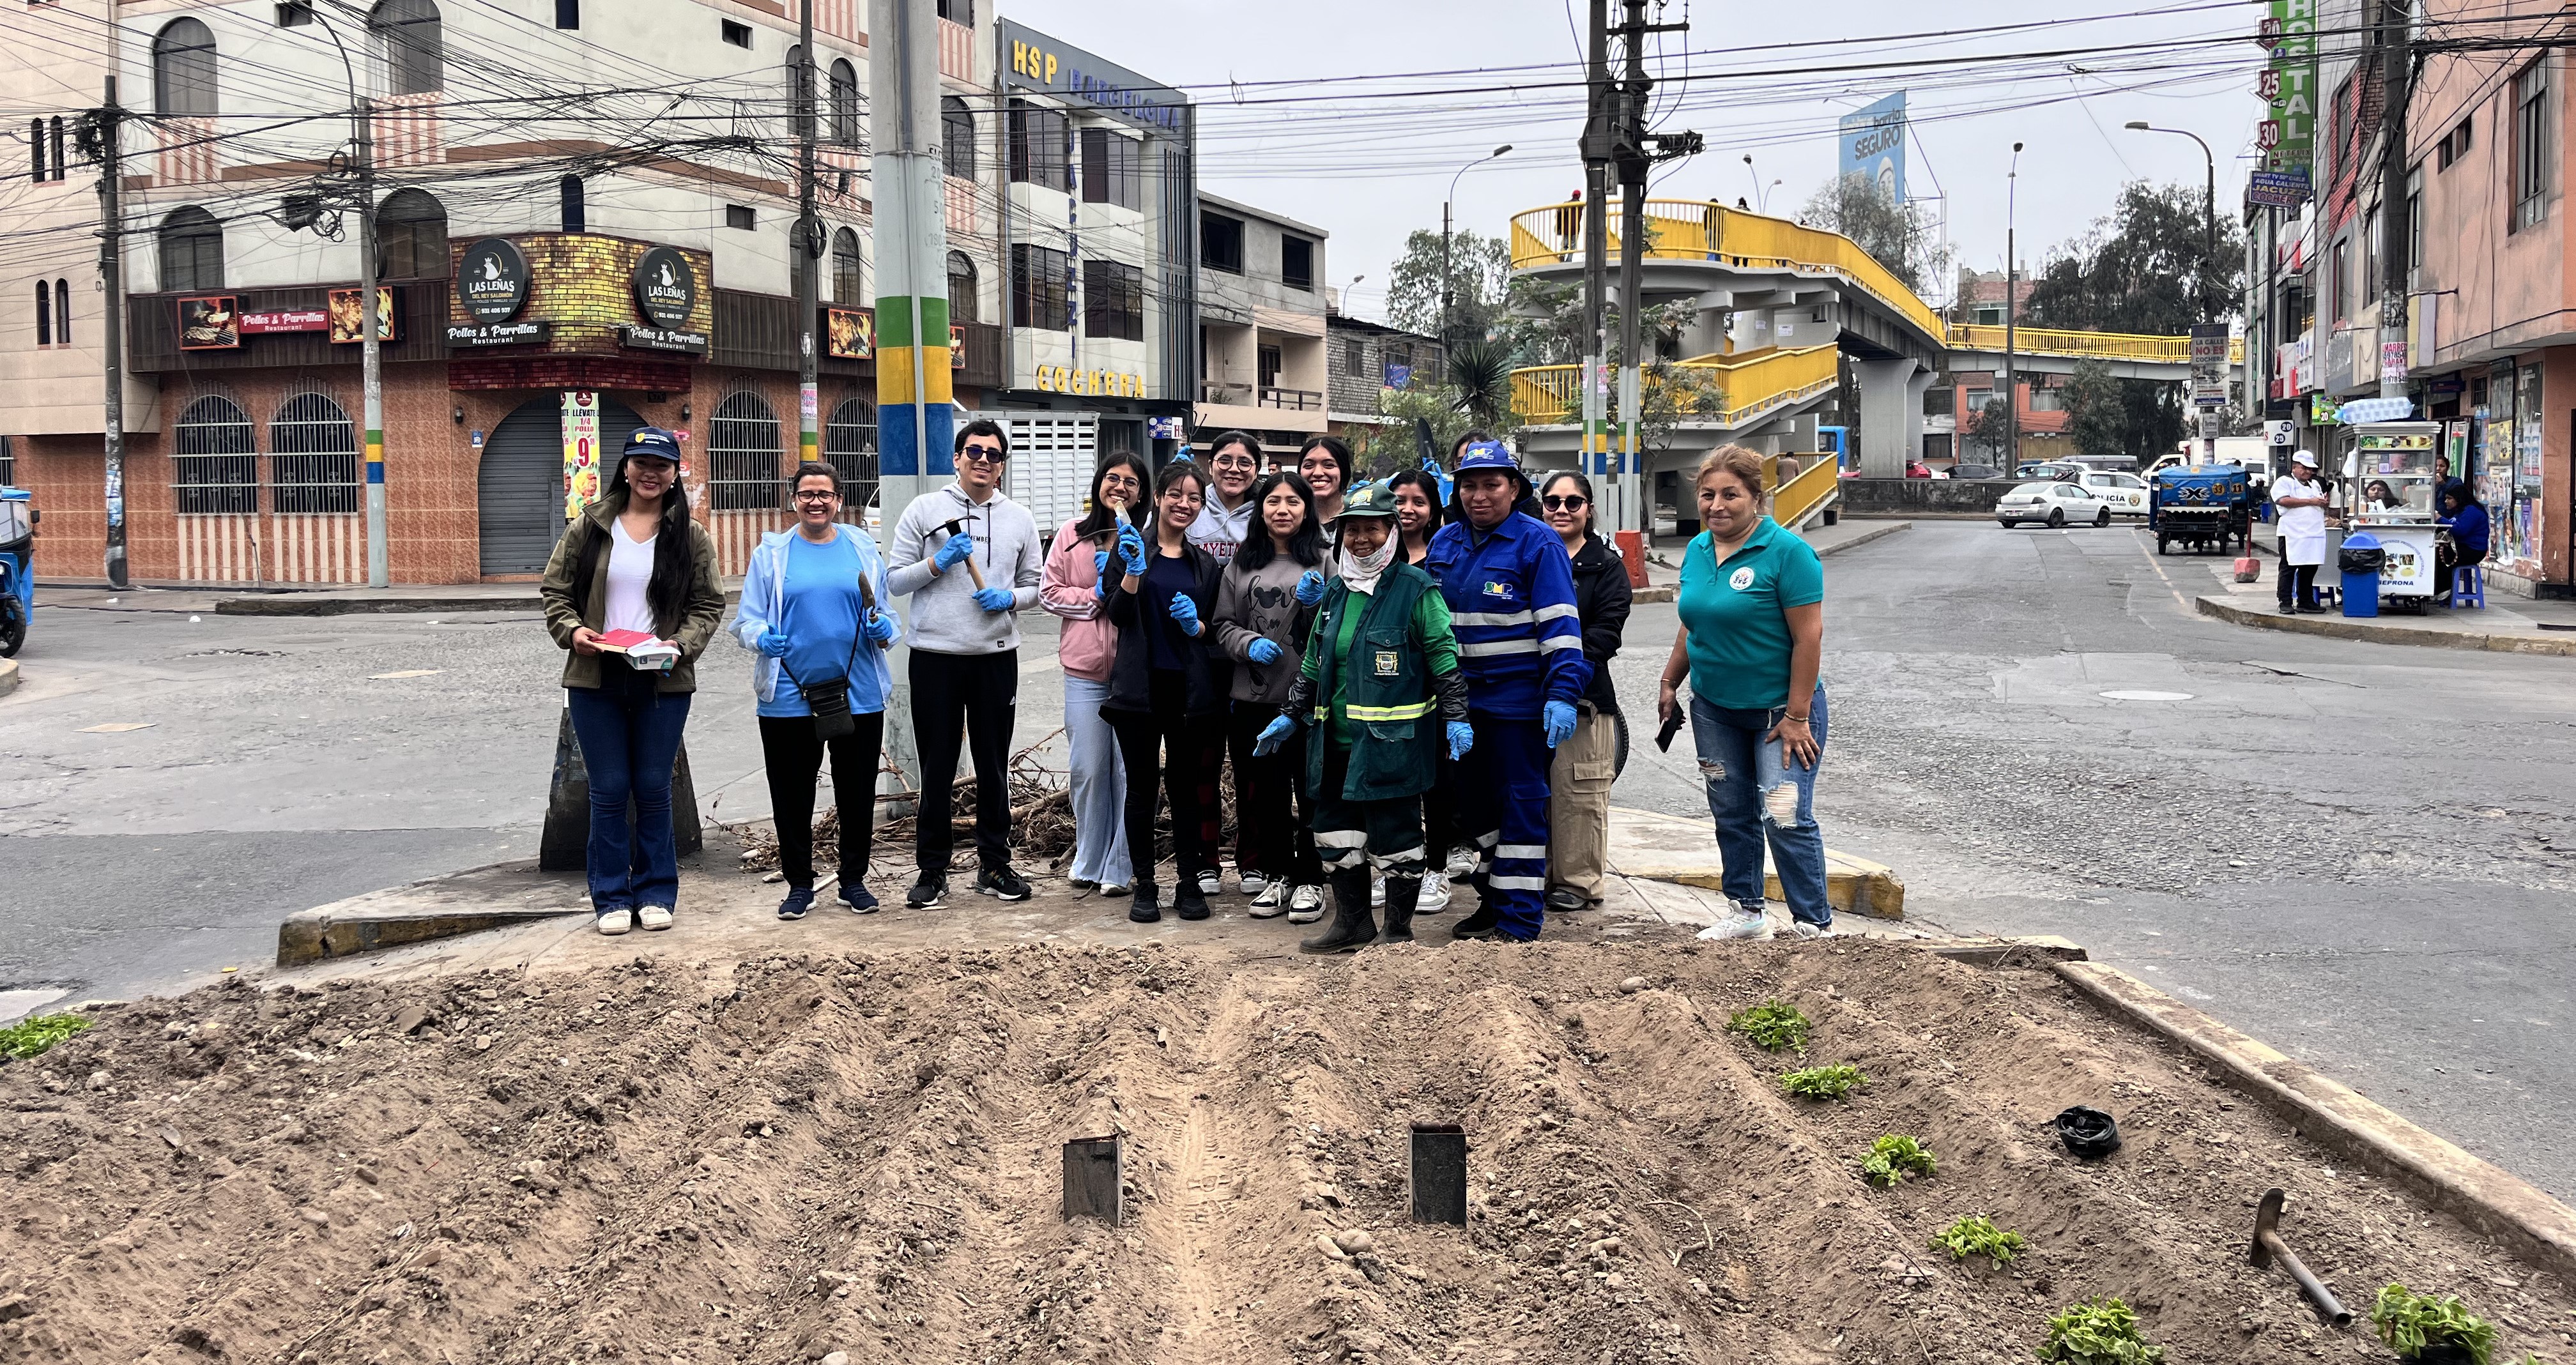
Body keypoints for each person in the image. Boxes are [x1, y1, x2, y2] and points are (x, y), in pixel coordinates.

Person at [1255, 482, 1471, 953]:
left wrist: (1457, 716)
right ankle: (1353, 925)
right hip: (1334, 743)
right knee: (1334, 835)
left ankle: (1397, 933)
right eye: (1352, 530)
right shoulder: (1335, 592)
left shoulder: (1416, 590)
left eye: (1372, 529)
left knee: (1397, 840)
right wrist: (1291, 714)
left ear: (1391, 531)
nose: (1361, 540)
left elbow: (1443, 659)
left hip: (1393, 747)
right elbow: (1314, 664)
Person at [539, 427, 725, 936]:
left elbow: (709, 603)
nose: (650, 473)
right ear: (624, 468)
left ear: (675, 474)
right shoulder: (591, 525)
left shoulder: (689, 534)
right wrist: (572, 630)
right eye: (641, 462)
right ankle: (611, 897)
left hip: (661, 677)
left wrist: (680, 645)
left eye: (662, 465)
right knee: (609, 789)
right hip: (595, 675)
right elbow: (555, 589)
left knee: (652, 787)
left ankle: (656, 892)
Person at [1656, 445, 1832, 941]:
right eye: (1707, 494)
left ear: (1757, 496)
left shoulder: (1789, 553)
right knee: (1731, 812)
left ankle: (1813, 924)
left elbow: (1809, 638)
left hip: (1782, 713)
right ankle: (1746, 911)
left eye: (1730, 494)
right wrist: (1670, 680)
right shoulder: (1698, 550)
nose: (1716, 505)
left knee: (1784, 814)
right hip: (1715, 710)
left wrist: (1798, 715)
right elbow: (1694, 622)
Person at [1425, 441, 1592, 942]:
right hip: (1460, 708)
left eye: (1491, 484)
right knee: (1475, 811)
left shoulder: (1538, 544)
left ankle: (1518, 921)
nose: (1479, 495)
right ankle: (1494, 900)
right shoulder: (1445, 543)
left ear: (1514, 488)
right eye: (1469, 485)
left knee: (1520, 806)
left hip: (1518, 707)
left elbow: (1562, 629)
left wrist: (1562, 693)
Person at [885, 418, 1045, 908]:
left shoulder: (1019, 518)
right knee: (936, 767)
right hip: (935, 656)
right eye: (974, 451)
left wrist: (1009, 599)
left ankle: (994, 865)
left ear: (1002, 466)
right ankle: (932, 870)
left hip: (995, 657)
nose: (983, 460)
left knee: (993, 766)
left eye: (994, 454)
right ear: (957, 458)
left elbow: (1037, 586)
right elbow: (895, 580)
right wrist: (938, 562)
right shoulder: (924, 510)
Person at [732, 461, 901, 919]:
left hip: (858, 692)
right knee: (792, 796)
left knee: (856, 792)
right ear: (794, 500)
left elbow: (886, 614)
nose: (816, 502)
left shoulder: (862, 548)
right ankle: (799, 885)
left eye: (825, 494)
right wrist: (760, 638)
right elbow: (746, 621)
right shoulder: (772, 554)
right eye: (807, 494)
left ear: (839, 501)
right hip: (789, 696)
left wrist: (885, 629)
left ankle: (853, 881)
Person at [1100, 461, 1227, 924]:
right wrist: (1133, 572)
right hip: (1139, 687)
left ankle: (1189, 882)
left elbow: (1214, 628)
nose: (1184, 504)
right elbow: (1116, 614)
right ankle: (1146, 885)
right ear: (1157, 498)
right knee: (1142, 789)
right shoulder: (1130, 548)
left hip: (1189, 691)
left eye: (1194, 498)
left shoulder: (1205, 564)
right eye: (1175, 494)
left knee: (1186, 789)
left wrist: (1198, 626)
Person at [1213, 471, 1329, 920]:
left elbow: (1340, 625)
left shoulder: (1325, 560)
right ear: (1260, 510)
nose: (1283, 510)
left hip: (1309, 701)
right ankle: (1279, 874)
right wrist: (1247, 644)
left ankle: (1312, 879)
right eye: (1273, 501)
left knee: (1312, 791)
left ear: (1307, 509)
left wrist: (1319, 605)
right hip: (1254, 701)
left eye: (1293, 502)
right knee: (1267, 794)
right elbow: (1223, 624)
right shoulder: (1242, 563)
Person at [1039, 453, 1147, 897]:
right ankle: (1089, 857)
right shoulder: (1071, 533)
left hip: (1132, 671)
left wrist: (1129, 578)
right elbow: (1049, 593)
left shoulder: (1145, 536)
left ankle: (1120, 866)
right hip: (1084, 669)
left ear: (1142, 493)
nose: (1120, 487)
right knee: (1088, 767)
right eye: (1112, 478)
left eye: (1131, 482)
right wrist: (1095, 595)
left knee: (1127, 771)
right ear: (1099, 482)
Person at [1538, 469, 1632, 914]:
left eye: (1572, 502)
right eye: (1553, 502)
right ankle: (1535, 877)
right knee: (1534, 795)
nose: (1562, 510)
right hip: (1527, 697)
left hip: (1584, 700)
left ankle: (1577, 883)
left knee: (1580, 796)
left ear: (1589, 510)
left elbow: (1604, 634)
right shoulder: (1531, 554)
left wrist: (1565, 680)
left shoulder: (1606, 566)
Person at [1383, 468, 1457, 912]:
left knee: (1437, 782)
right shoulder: (1374, 556)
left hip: (1434, 687)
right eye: (1399, 500)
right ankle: (1397, 867)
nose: (1407, 509)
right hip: (1386, 690)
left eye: (1418, 501)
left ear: (1433, 509)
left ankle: (1437, 869)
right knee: (1393, 781)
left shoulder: (1443, 558)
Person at [2271, 452, 2331, 614]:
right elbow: (2282, 500)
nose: (2307, 472)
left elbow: (2321, 503)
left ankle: (2305, 600)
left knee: (2310, 568)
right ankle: (2285, 601)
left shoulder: (2315, 485)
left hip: (2313, 534)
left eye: (2310, 469)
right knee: (2289, 567)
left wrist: (2323, 503)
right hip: (2293, 534)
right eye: (2304, 468)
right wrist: (2311, 501)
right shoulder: (2285, 482)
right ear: (2295, 467)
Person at [1188, 431, 1262, 563]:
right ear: (1210, 467)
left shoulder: (1265, 514)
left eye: (1245, 463)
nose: (1234, 469)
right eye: (1224, 461)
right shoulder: (1188, 506)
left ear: (1256, 471)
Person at [2437, 481, 2491, 603]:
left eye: (2449, 499)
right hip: (2464, 547)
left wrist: (2441, 519)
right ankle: (2441, 591)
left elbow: (2460, 530)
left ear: (2459, 499)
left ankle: (2444, 592)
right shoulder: (2461, 510)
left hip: (2473, 551)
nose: (2446, 501)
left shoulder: (2472, 511)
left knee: (2441, 557)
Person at [1300, 435, 1351, 533]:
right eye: (1309, 466)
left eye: (1329, 465)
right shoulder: (1290, 519)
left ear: (1344, 471)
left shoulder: (1360, 515)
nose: (1317, 473)